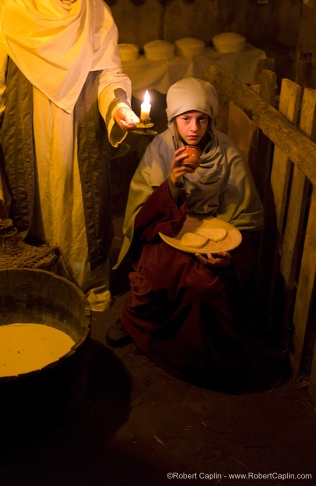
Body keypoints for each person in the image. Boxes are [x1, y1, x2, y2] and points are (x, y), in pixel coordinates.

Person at [0, 0, 140, 312]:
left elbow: (109, 73)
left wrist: (118, 106)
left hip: (79, 130)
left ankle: (88, 284)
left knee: (84, 210)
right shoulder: (11, 15)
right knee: (34, 209)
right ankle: (44, 285)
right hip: (28, 133)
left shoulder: (95, 13)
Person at [106, 77, 264, 386]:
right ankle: (136, 321)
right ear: (173, 119)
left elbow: (244, 214)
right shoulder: (161, 148)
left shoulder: (227, 153)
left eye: (201, 119)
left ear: (211, 120)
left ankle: (198, 358)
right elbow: (142, 213)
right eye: (185, 119)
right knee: (158, 273)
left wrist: (227, 253)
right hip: (169, 226)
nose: (194, 128)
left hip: (215, 232)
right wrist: (174, 183)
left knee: (203, 286)